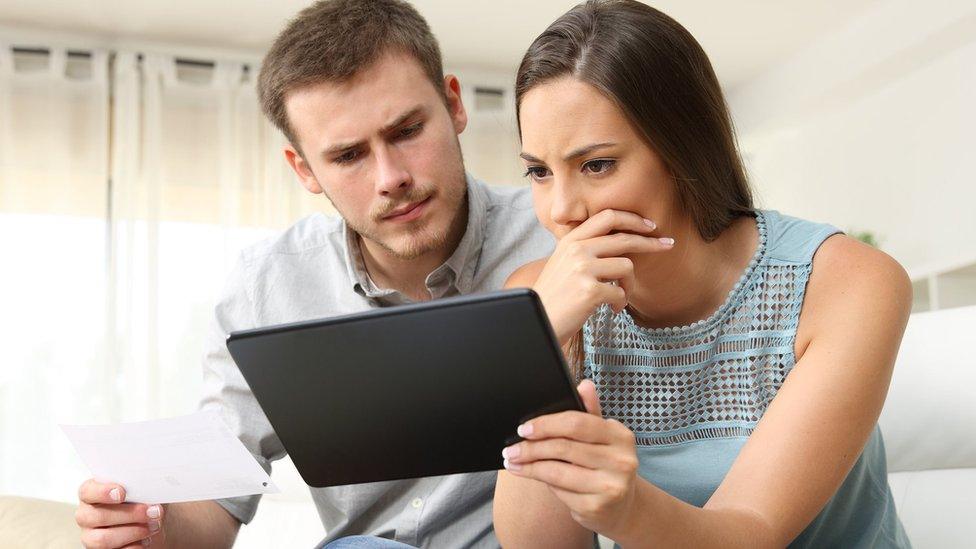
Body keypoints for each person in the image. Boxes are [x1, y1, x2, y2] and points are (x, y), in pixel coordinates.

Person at [73, 1, 555, 547]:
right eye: (349, 155)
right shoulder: (266, 286)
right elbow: (215, 504)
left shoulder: (555, 236)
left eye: (407, 130)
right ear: (304, 169)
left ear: (454, 104)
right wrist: (148, 526)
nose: (391, 177)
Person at [494, 1, 912, 547]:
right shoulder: (535, 299)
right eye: (539, 172)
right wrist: (538, 348)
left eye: (596, 165)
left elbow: (751, 533)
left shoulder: (847, 283)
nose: (562, 210)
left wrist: (627, 510)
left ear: (681, 151)